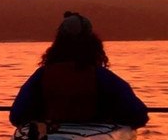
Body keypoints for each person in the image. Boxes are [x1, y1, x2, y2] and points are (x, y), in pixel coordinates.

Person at [10, 12, 148, 128]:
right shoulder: (101, 76)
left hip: (52, 131)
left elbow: (16, 116)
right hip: (95, 134)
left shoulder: (42, 75)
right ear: (93, 44)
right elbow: (139, 116)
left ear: (57, 43)